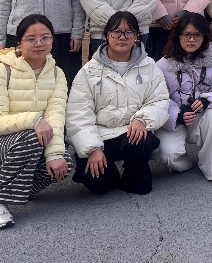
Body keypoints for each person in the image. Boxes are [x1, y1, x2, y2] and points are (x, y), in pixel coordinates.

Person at [0, 14, 73, 229]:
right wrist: (34, 119)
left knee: (65, 161)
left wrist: (54, 154)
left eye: (45, 37)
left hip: (28, 143)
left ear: (52, 40)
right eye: (31, 39)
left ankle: (21, 189)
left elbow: (55, 116)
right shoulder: (1, 70)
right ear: (19, 42)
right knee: (31, 137)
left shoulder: (57, 74)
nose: (39, 44)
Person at [66, 12, 169, 195]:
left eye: (129, 32)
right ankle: (110, 175)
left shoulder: (149, 66)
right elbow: (78, 115)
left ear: (136, 36)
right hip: (101, 135)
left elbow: (159, 100)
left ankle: (133, 176)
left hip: (132, 132)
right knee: (97, 183)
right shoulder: (89, 71)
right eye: (116, 31)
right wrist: (92, 148)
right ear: (106, 35)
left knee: (141, 142)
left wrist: (142, 119)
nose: (122, 37)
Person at [155, 13, 212, 181]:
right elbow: (156, 98)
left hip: (201, 117)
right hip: (173, 120)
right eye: (186, 34)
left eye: (197, 35)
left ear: (204, 37)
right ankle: (183, 162)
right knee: (168, 154)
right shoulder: (162, 65)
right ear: (178, 36)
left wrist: (208, 99)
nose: (191, 39)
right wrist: (177, 115)